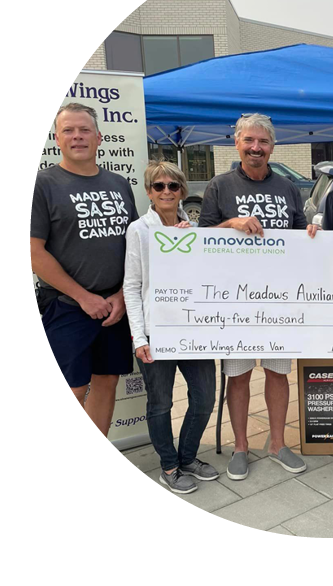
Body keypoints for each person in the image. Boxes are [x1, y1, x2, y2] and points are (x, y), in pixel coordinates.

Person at [198, 113, 318, 481]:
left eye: (263, 142)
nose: (255, 148)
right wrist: (231, 224)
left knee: (279, 374)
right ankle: (240, 447)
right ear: (237, 143)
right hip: (234, 301)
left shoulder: (287, 188)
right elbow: (201, 241)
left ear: (272, 147)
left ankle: (278, 443)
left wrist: (313, 230)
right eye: (249, 140)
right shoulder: (219, 186)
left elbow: (301, 235)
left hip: (281, 299)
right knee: (239, 374)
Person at [30, 103, 138, 436]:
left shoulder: (119, 183)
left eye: (84, 130)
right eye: (69, 130)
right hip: (68, 307)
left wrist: (122, 295)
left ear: (99, 137)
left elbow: (133, 247)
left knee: (106, 383)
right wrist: (84, 297)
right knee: (71, 390)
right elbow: (33, 252)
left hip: (114, 308)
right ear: (57, 139)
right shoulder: (42, 184)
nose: (77, 136)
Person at [123, 161, 218, 494]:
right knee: (160, 403)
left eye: (173, 186)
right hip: (156, 332)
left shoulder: (192, 231)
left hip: (192, 332)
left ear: (181, 191)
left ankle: (189, 457)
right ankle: (169, 465)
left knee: (205, 398)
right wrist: (139, 337)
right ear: (149, 191)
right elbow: (132, 287)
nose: (166, 192)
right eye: (159, 186)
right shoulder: (140, 230)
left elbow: (205, 281)